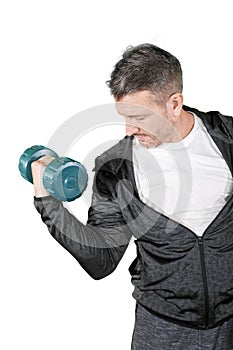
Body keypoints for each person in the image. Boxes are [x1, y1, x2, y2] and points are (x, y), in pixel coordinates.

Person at [32, 44, 233, 349]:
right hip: (162, 331)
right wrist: (47, 200)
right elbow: (102, 259)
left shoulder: (228, 139)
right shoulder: (115, 169)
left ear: (174, 104)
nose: (129, 129)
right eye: (124, 117)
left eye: (139, 116)